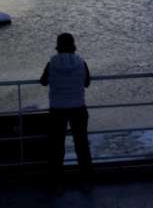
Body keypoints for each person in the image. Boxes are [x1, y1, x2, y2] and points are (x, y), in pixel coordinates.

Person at [40, 32, 93, 189]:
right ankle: (87, 180)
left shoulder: (52, 63)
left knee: (56, 146)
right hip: (78, 108)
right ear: (73, 46)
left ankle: (56, 182)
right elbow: (87, 83)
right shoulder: (81, 62)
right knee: (81, 145)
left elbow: (43, 81)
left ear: (58, 47)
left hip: (57, 109)